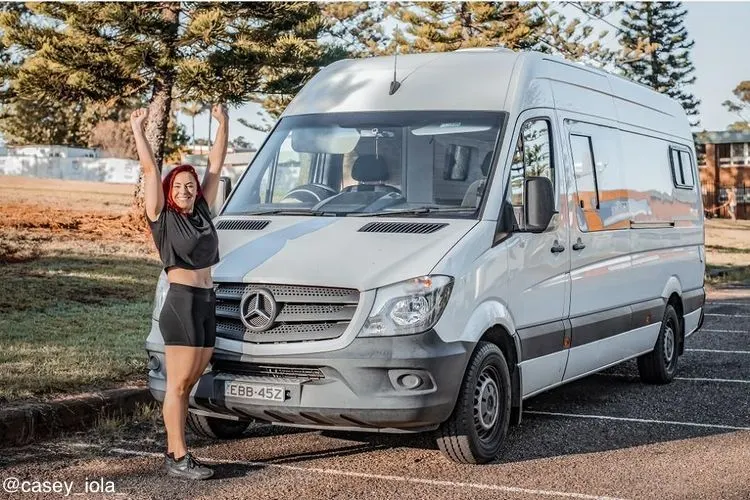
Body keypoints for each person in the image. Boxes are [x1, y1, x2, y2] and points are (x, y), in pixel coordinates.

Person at [130, 104, 229, 480]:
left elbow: (216, 166)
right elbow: (149, 170)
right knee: (178, 384)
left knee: (189, 383)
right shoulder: (162, 217)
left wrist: (223, 125)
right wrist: (139, 128)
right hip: (182, 304)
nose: (187, 189)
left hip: (206, 302)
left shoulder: (203, 211)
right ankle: (176, 455)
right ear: (170, 192)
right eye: (180, 185)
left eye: (191, 184)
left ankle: (179, 451)